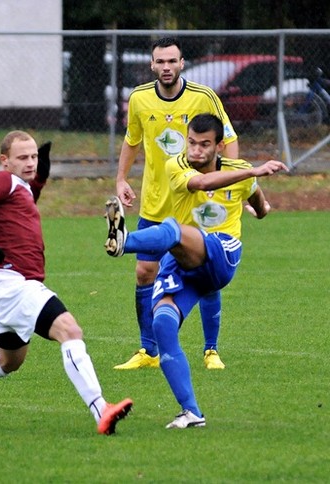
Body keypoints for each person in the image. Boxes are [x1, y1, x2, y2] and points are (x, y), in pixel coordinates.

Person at [0, 130, 133, 435]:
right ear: (5, 161)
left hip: (7, 289)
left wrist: (38, 182)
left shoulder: (22, 188)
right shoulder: (2, 180)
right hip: (17, 285)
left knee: (7, 362)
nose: (31, 163)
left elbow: (18, 210)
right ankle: (101, 410)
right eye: (23, 158)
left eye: (34, 157)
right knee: (70, 330)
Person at [104, 113, 287, 428]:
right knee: (163, 323)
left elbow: (260, 205)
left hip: (223, 254)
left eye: (205, 145)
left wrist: (260, 208)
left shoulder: (240, 172)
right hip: (185, 260)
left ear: (218, 147)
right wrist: (253, 170)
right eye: (191, 142)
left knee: (173, 229)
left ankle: (125, 241)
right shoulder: (176, 166)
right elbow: (200, 183)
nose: (196, 150)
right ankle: (191, 413)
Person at [113, 37, 240, 371]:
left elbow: (228, 139)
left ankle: (211, 350)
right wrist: (121, 179)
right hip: (156, 202)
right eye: (160, 62)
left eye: (172, 61)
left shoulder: (204, 97)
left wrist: (229, 185)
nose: (166, 67)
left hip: (195, 203)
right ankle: (148, 351)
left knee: (205, 271)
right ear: (152, 65)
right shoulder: (139, 98)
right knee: (144, 273)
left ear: (182, 63)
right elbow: (132, 140)